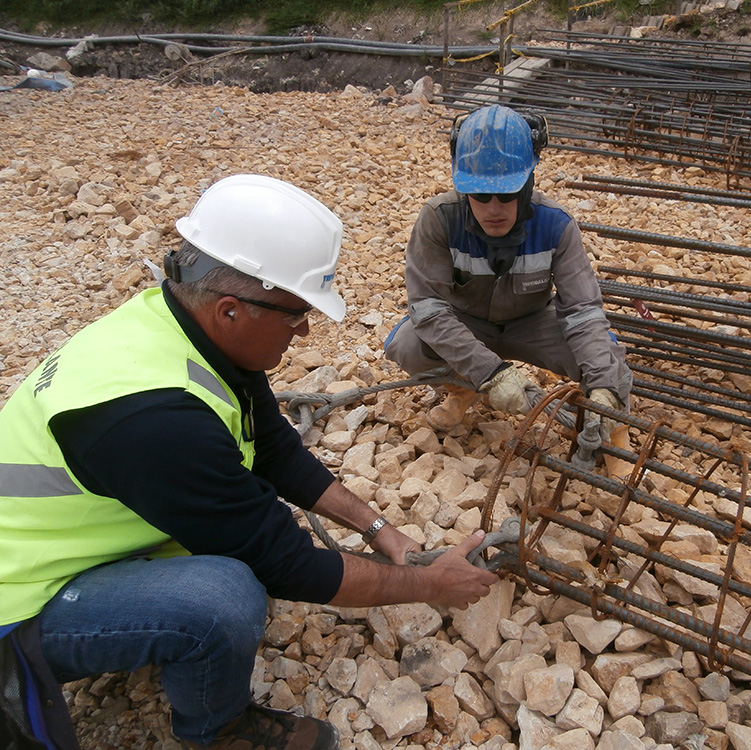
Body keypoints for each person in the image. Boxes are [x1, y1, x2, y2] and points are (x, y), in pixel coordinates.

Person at [0, 174, 498, 750]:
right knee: (224, 597)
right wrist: (427, 584)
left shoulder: (186, 326)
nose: (306, 329)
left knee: (224, 554)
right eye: (295, 314)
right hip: (18, 601)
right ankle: (220, 731)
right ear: (232, 308)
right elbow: (285, 563)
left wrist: (379, 529)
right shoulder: (156, 421)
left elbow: (272, 445)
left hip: (58, 546)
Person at [384, 104, 632, 433]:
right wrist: (489, 372)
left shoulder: (556, 225)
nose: (494, 208)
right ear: (463, 187)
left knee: (610, 364)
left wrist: (603, 385)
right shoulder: (439, 219)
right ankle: (463, 388)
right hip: (467, 323)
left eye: (507, 193)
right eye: (481, 195)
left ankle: (611, 430)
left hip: (533, 322)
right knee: (407, 345)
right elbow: (428, 311)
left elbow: (583, 311)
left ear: (527, 184)